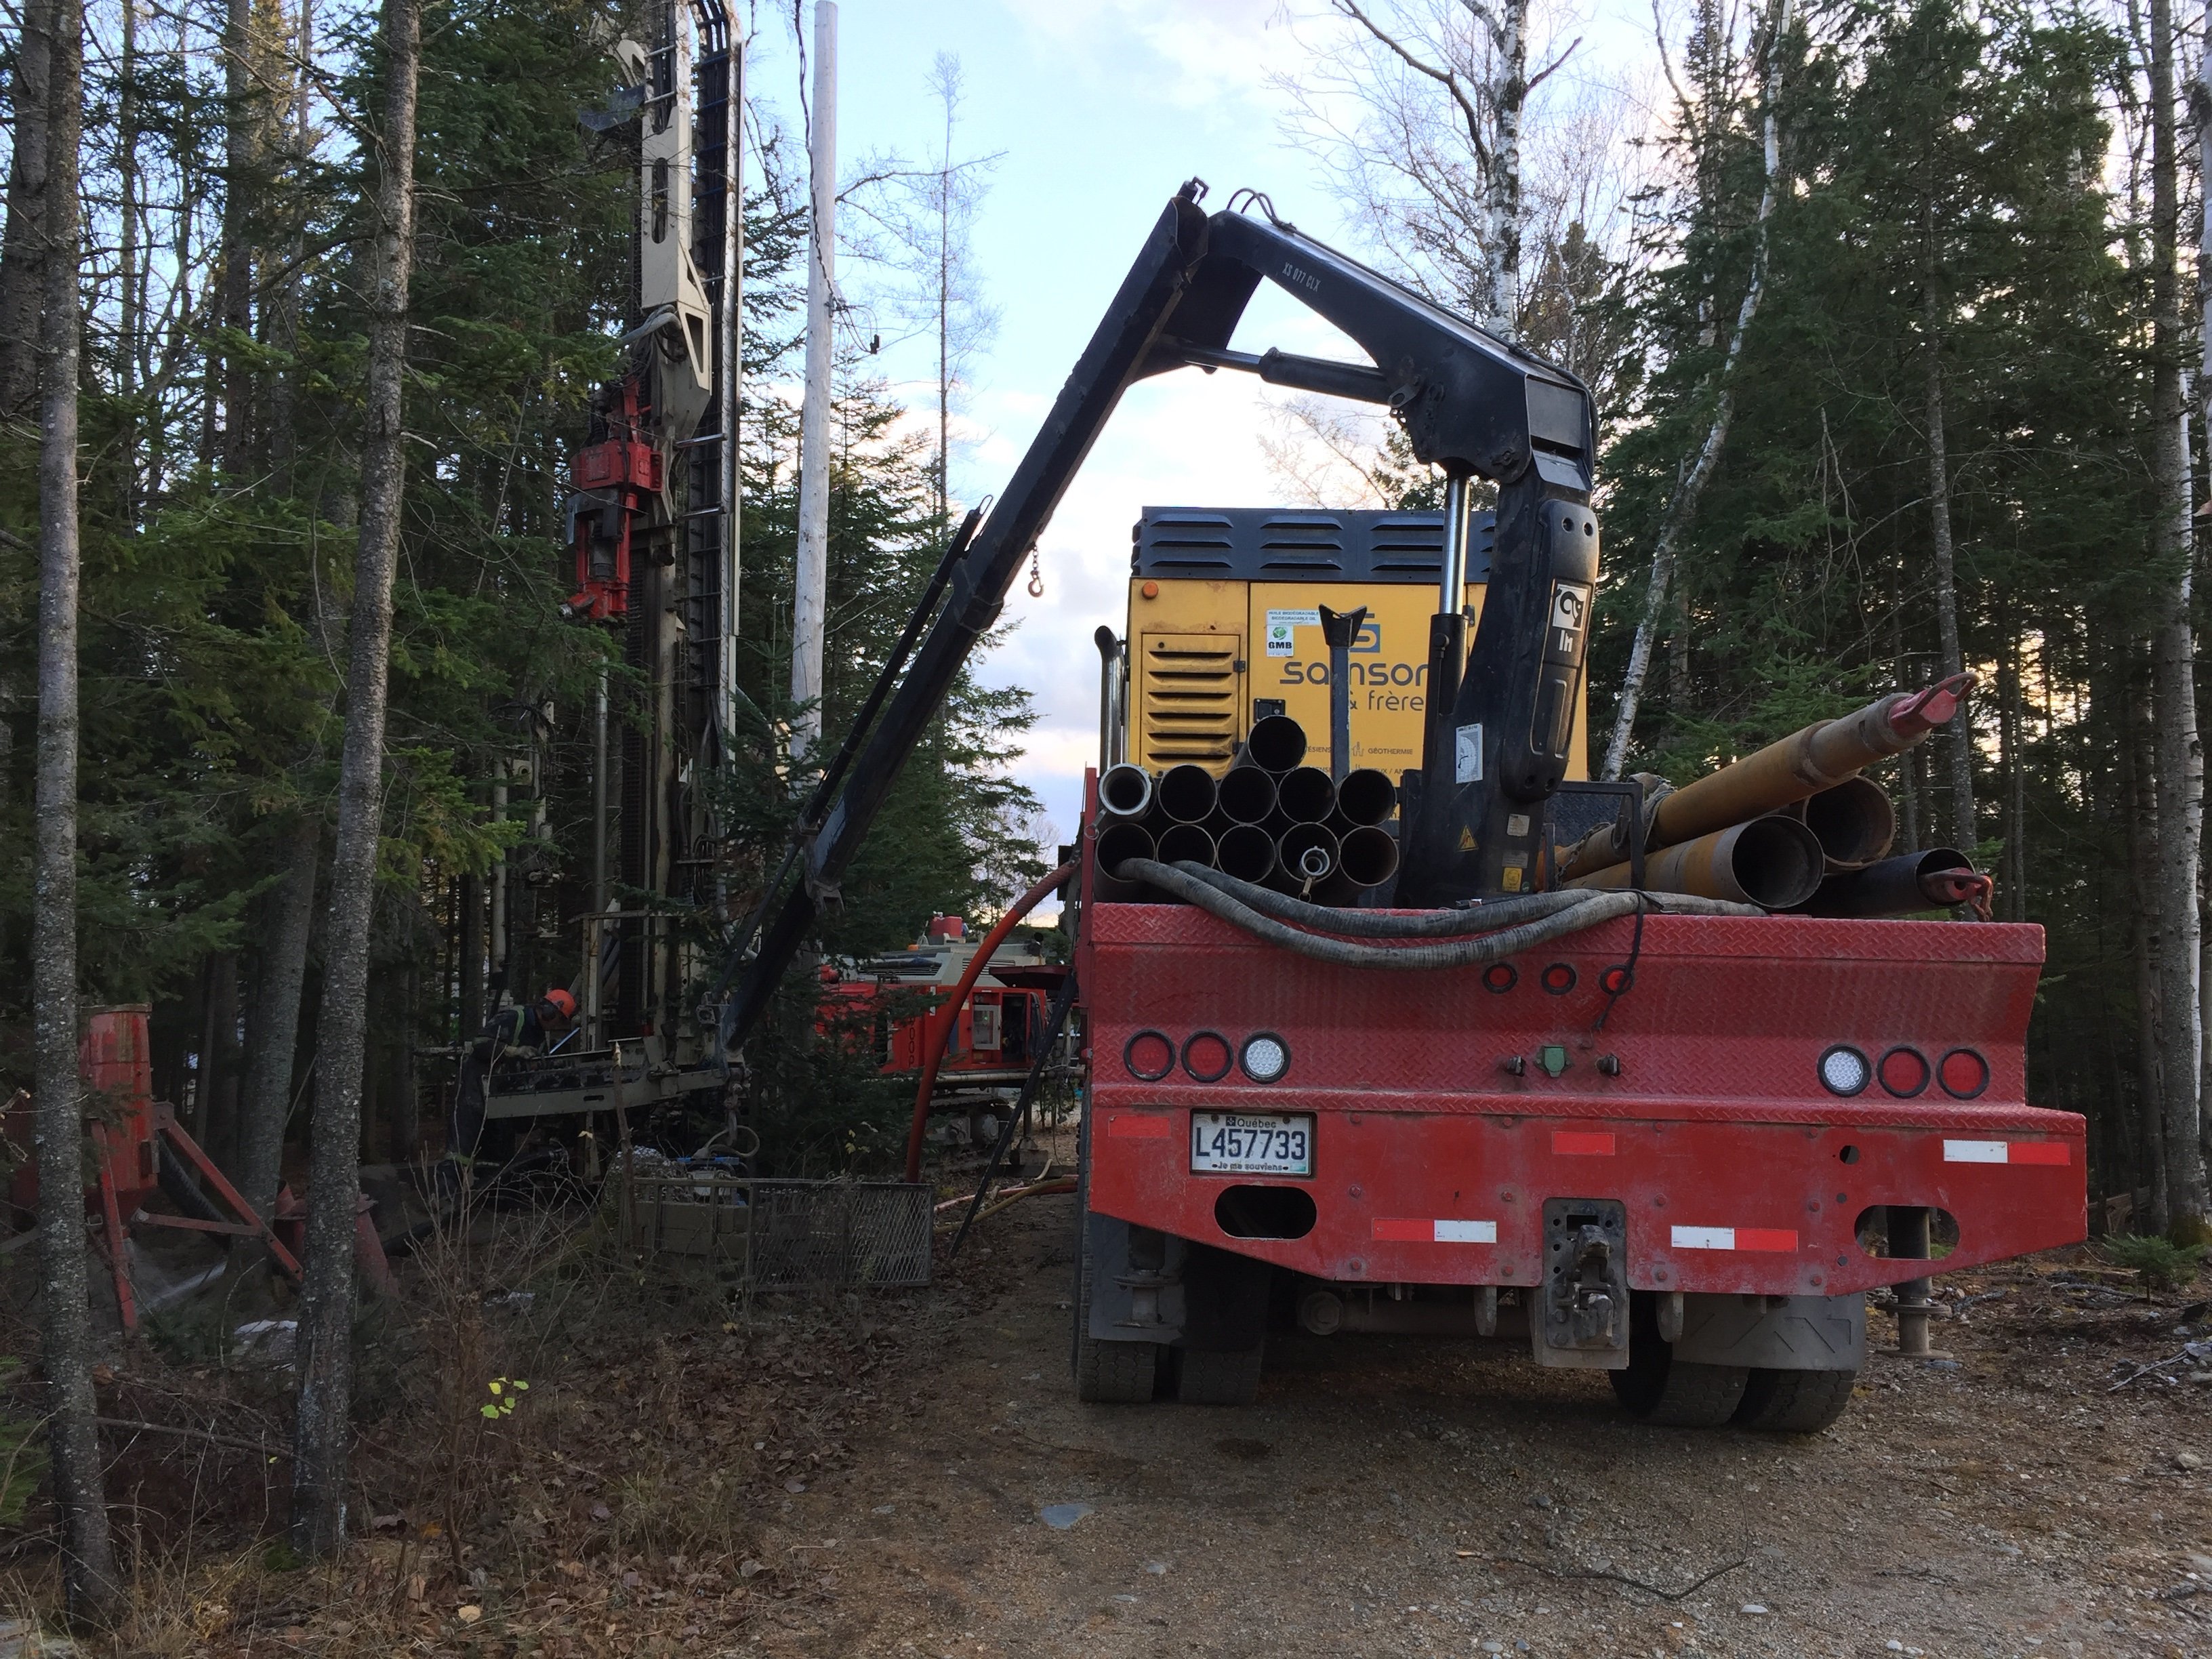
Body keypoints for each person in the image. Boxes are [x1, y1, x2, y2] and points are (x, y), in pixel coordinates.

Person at [443, 988, 578, 1192]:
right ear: (551, 1012)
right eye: (558, 1020)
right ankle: (443, 1197)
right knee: (461, 1149)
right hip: (475, 1088)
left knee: (497, 1153)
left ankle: (492, 1195)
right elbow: (480, 1044)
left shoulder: (539, 1034)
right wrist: (513, 1051)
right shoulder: (515, 1017)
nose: (557, 1025)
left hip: (502, 1094)